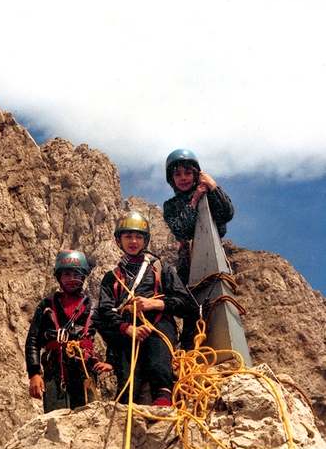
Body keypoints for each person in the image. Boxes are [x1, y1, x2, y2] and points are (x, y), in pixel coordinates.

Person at [95, 211, 199, 407]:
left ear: (145, 240)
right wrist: (128, 329)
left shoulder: (160, 267)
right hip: (128, 332)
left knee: (159, 367)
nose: (133, 241)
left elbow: (187, 303)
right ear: (119, 240)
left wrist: (154, 303)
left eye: (138, 236)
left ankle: (163, 399)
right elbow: (105, 312)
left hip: (159, 326)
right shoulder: (112, 277)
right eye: (128, 236)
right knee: (127, 384)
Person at [25, 250, 112, 413]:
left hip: (85, 369)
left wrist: (111, 361)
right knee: (55, 420)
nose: (72, 279)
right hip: (55, 371)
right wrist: (34, 374)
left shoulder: (94, 308)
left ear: (84, 276)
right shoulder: (46, 307)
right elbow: (33, 340)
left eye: (77, 274)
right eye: (67, 274)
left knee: (88, 418)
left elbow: (112, 337)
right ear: (59, 277)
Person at [163, 148, 234, 286]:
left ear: (196, 175)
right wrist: (194, 201)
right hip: (187, 266)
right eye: (177, 174)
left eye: (188, 173)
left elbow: (227, 214)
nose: (183, 178)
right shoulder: (170, 205)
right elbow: (181, 230)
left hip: (214, 257)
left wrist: (213, 186)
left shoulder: (209, 194)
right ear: (172, 179)